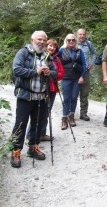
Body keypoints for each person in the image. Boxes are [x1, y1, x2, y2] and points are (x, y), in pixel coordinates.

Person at [10, 31, 57, 168]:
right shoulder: (23, 53)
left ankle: (33, 147)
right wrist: (35, 72)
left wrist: (49, 72)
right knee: (21, 124)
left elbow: (55, 72)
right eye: (39, 39)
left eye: (44, 40)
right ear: (32, 39)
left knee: (37, 123)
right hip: (25, 96)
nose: (42, 42)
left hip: (41, 97)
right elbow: (17, 70)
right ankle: (16, 151)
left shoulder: (47, 56)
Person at [26, 39, 64, 142]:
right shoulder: (40, 57)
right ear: (46, 46)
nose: (51, 48)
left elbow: (60, 73)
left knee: (47, 112)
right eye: (49, 46)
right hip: (41, 88)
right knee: (38, 113)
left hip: (52, 88)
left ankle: (42, 133)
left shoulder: (56, 59)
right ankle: (30, 135)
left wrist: (52, 74)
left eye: (54, 46)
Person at [58, 34, 86, 130]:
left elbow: (84, 65)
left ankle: (71, 116)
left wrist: (82, 76)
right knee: (66, 99)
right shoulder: (61, 50)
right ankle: (64, 118)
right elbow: (55, 61)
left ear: (75, 41)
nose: (71, 42)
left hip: (76, 79)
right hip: (65, 78)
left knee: (74, 98)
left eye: (73, 40)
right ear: (66, 41)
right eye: (69, 40)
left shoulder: (79, 51)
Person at [77, 29, 97, 121]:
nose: (82, 36)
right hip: (74, 72)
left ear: (85, 35)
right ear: (77, 35)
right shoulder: (73, 43)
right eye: (80, 34)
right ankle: (70, 114)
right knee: (73, 94)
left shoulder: (88, 44)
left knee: (84, 93)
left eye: (83, 34)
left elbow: (94, 53)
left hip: (85, 72)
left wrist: (91, 63)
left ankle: (83, 113)